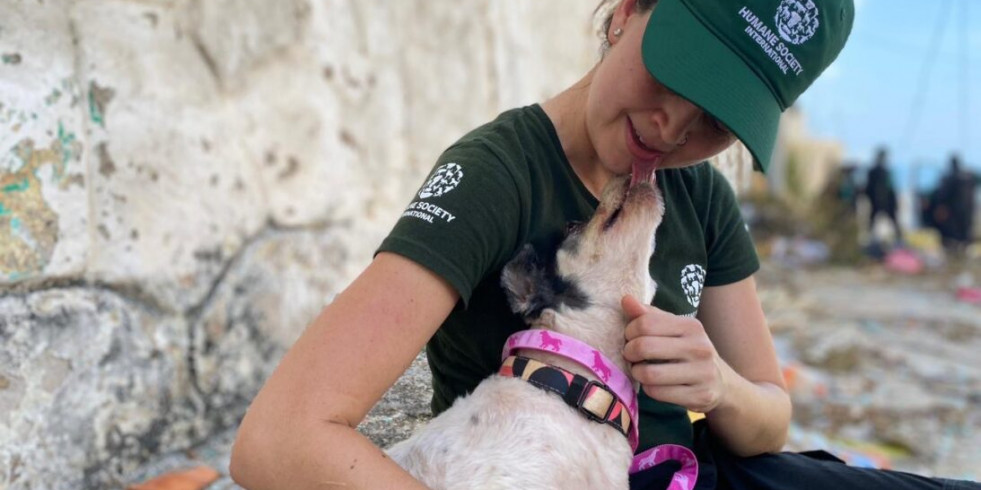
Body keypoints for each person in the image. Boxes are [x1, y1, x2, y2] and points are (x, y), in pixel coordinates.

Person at [230, 1, 980, 489]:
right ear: (625, 13)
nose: (672, 130)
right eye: (675, 74)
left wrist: (717, 386)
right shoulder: (496, 173)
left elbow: (770, 419)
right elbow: (279, 440)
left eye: (718, 117)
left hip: (687, 471)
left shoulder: (699, 196)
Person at [930, 154, 978, 258]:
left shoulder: (951, 177)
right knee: (964, 233)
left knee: (953, 236)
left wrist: (941, 207)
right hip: (967, 209)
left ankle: (957, 252)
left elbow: (943, 195)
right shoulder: (968, 177)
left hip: (954, 211)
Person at [864, 147, 903, 245]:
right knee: (873, 222)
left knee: (893, 222)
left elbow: (890, 188)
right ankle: (872, 240)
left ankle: (899, 240)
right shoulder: (874, 172)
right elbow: (870, 188)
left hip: (887, 202)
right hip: (877, 202)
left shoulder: (886, 172)